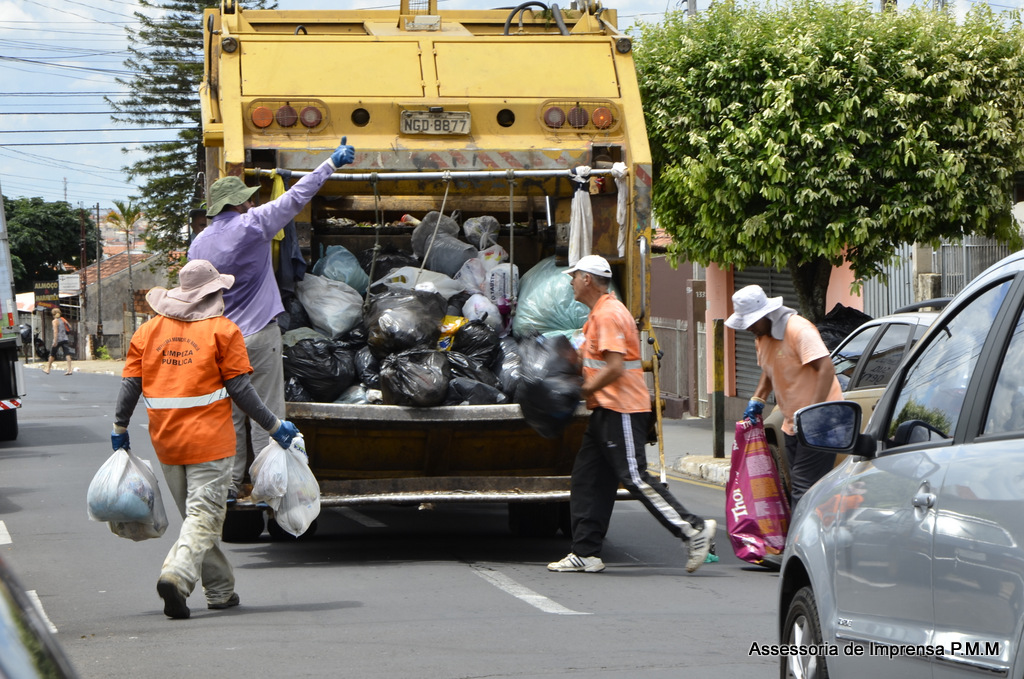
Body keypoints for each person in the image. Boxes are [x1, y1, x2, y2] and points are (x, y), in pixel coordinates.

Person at [111, 259, 302, 619]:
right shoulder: (223, 331)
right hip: (210, 444)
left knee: (198, 520)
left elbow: (129, 386)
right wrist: (274, 426)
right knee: (204, 517)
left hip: (167, 443)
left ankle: (220, 591)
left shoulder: (147, 332)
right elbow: (242, 390)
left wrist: (119, 428)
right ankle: (177, 575)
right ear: (213, 293)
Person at [188, 137, 355, 501]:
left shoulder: (198, 245)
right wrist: (331, 163)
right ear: (240, 203)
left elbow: (193, 294)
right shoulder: (254, 224)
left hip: (218, 341)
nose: (253, 200)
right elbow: (296, 197)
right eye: (248, 197)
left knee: (230, 417)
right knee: (265, 415)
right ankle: (268, 487)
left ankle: (231, 486)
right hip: (258, 337)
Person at [547, 255, 717, 574]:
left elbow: (613, 367)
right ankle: (585, 552)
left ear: (587, 279)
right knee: (587, 480)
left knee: (635, 476)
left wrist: (581, 391)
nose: (570, 282)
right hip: (605, 410)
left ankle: (692, 529)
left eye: (574, 276)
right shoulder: (599, 313)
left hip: (621, 408)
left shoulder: (609, 313)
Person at [725, 284, 843, 509]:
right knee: (797, 483)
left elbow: (826, 369)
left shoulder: (798, 329)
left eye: (751, 322)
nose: (748, 328)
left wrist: (812, 414)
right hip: (793, 423)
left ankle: (798, 541)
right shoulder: (762, 337)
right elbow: (770, 370)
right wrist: (757, 400)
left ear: (766, 314)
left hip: (822, 420)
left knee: (804, 484)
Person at [45, 308, 73, 375]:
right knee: (67, 354)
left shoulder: (55, 321)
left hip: (58, 340)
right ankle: (70, 370)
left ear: (53, 314)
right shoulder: (63, 319)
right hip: (65, 338)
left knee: (52, 354)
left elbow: (55, 331)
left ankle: (48, 369)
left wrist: (55, 341)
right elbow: (70, 327)